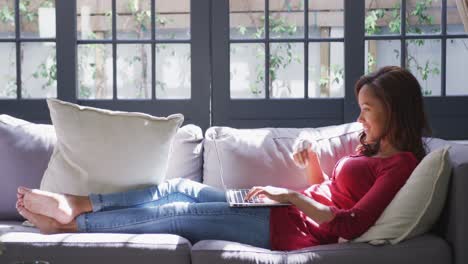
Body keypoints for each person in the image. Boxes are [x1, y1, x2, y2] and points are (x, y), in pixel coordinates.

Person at [16, 66, 431, 251]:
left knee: (177, 213)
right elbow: (335, 194)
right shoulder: (372, 148)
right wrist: (313, 171)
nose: (359, 117)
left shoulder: (402, 165)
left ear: (394, 110)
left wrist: (290, 197)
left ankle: (72, 224)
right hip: (282, 209)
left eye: (368, 109)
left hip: (288, 227)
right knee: (176, 187)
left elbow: (352, 223)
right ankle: (79, 203)